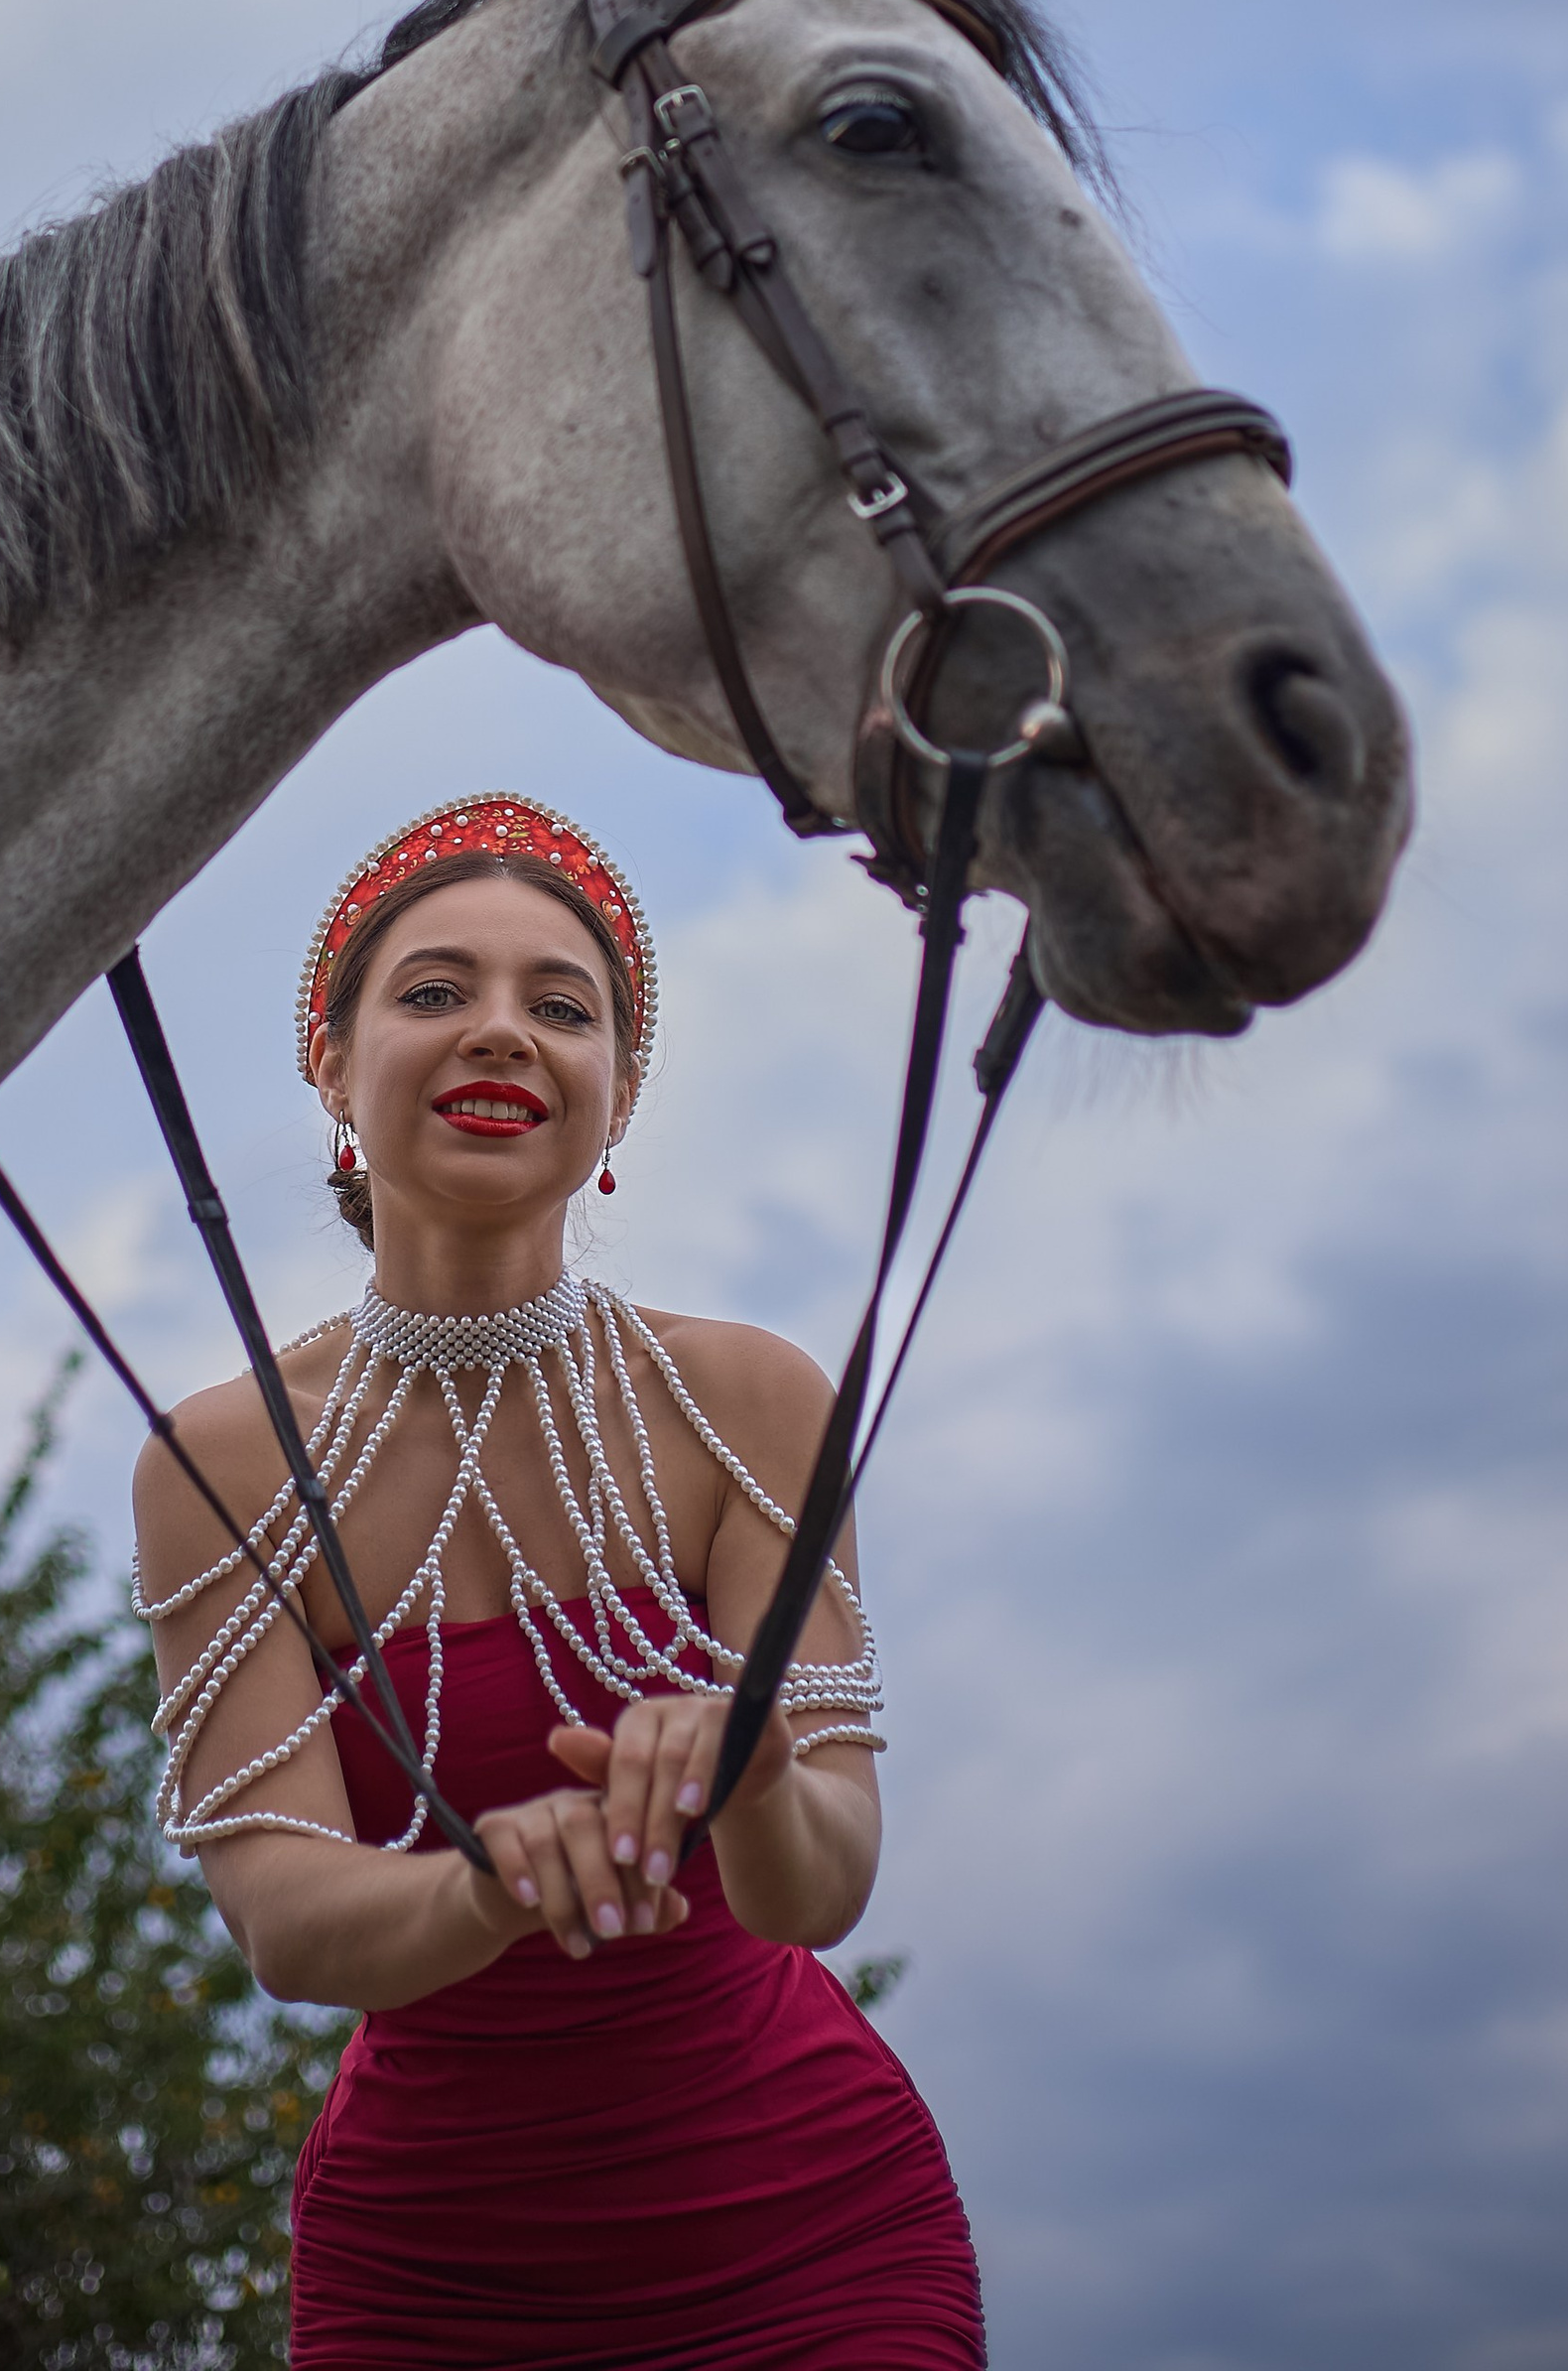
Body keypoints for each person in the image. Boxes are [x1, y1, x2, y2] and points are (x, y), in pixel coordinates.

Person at [133, 792, 986, 2369]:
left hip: (811, 2230)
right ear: (332, 1063)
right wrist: (485, 1885)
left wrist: (756, 1766)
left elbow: (824, 1887)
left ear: (621, 1092)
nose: (503, 1034)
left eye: (563, 1007)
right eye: (437, 991)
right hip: (436, 2276)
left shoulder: (752, 1402)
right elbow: (289, 1929)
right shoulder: (221, 1464)